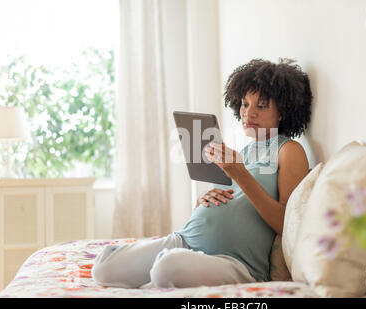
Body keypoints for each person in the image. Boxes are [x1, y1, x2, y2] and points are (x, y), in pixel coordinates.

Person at [91, 58, 312, 289]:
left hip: (235, 261)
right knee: (104, 269)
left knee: (167, 269)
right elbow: (235, 200)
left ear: (283, 112)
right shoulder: (242, 152)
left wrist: (240, 175)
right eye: (245, 104)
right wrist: (203, 200)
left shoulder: (289, 151)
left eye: (261, 105)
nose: (249, 113)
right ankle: (164, 264)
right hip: (185, 239)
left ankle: (165, 268)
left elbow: (287, 223)